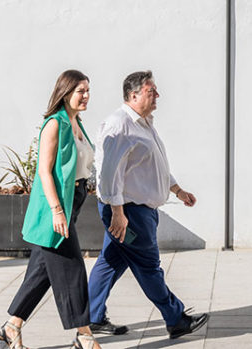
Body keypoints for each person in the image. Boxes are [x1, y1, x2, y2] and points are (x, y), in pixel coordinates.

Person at [88, 70, 209, 340]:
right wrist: (118, 213)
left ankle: (91, 317)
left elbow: (152, 167)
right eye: (151, 91)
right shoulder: (120, 125)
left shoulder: (143, 123)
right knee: (148, 265)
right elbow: (108, 175)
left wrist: (177, 190)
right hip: (128, 211)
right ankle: (176, 319)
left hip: (135, 210)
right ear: (133, 95)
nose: (157, 95)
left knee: (110, 262)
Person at [0, 70, 101, 349]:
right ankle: (84, 335)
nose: (86, 95)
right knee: (73, 267)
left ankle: (11, 327)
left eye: (88, 90)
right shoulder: (55, 124)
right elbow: (44, 171)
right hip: (57, 206)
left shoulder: (77, 123)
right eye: (81, 91)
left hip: (73, 200)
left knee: (42, 269)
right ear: (65, 93)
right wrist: (56, 210)